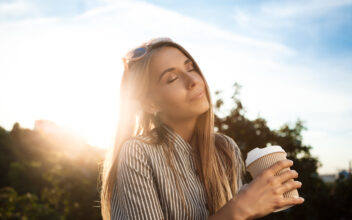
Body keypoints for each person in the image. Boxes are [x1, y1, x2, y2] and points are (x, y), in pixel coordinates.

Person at [99, 37, 304, 220]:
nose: (193, 81)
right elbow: (237, 212)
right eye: (172, 78)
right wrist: (240, 208)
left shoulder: (225, 149)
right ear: (150, 104)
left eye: (190, 68)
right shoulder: (137, 152)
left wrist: (259, 203)